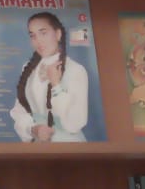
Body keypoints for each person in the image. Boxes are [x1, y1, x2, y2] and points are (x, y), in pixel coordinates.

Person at [9, 11, 89, 143]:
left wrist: (56, 84)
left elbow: (75, 123)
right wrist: (33, 129)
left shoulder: (76, 70)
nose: (38, 41)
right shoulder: (28, 69)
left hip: (69, 146)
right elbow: (19, 111)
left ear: (58, 34)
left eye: (43, 33)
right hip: (38, 145)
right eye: (33, 35)